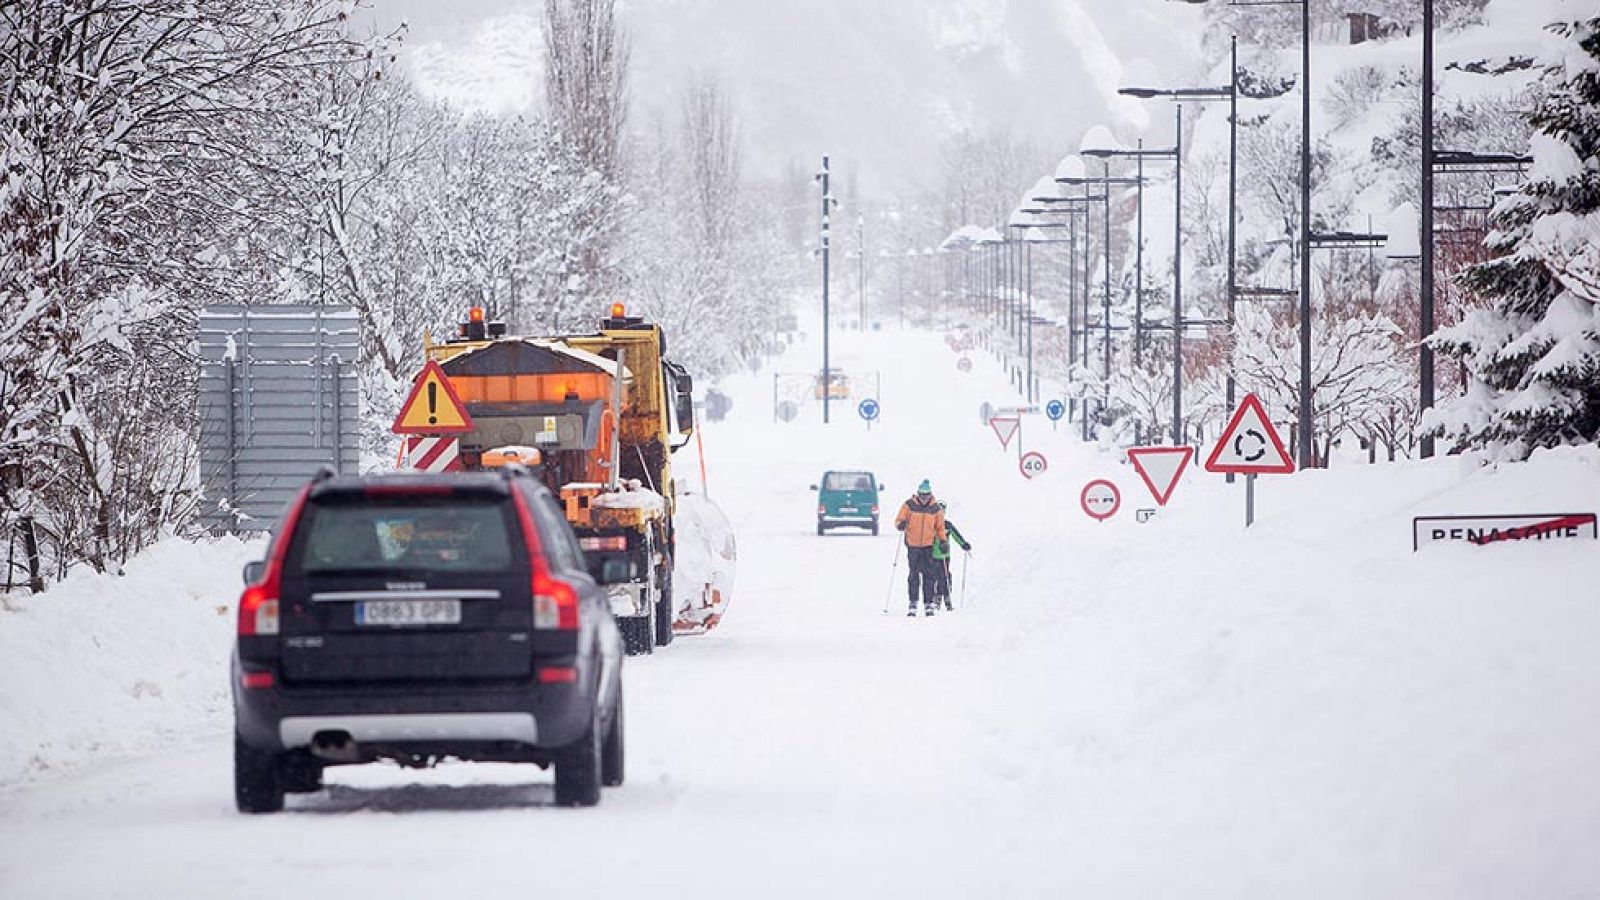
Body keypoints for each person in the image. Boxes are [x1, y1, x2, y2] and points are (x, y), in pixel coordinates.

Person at [894, 479, 947, 617]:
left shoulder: (935, 509)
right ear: (918, 494)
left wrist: (943, 541)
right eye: (922, 495)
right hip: (913, 545)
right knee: (914, 575)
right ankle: (913, 602)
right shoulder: (909, 505)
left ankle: (928, 603)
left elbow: (940, 527)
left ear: (930, 494)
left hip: (928, 545)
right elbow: (898, 520)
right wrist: (901, 524)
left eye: (927, 495)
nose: (924, 498)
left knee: (929, 575)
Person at [930, 507, 972, 611]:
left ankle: (946, 596)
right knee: (934, 576)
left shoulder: (947, 525)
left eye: (942, 511)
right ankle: (936, 598)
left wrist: (964, 544)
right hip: (932, 555)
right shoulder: (930, 523)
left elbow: (956, 535)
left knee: (945, 575)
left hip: (944, 555)